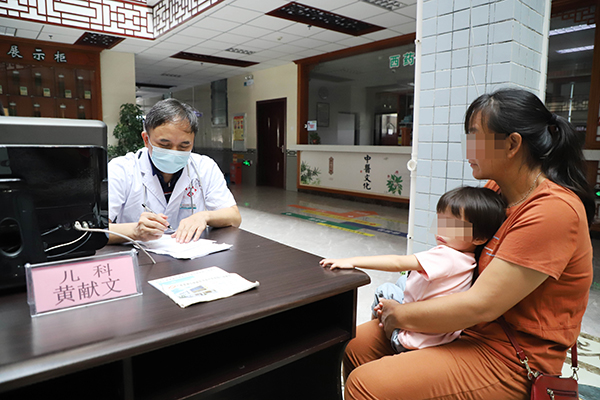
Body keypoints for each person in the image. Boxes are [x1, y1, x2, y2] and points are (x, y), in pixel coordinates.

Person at [343, 88, 594, 400]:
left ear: (512, 144)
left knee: (366, 384)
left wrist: (401, 314)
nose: (468, 148)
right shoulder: (496, 191)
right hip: (467, 328)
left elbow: (481, 305)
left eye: (475, 136)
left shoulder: (553, 211)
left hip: (511, 355)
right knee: (355, 345)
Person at [321, 186, 505, 353]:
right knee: (403, 280)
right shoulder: (469, 258)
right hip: (441, 335)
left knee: (384, 290)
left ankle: (382, 326)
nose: (442, 230)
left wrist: (352, 261)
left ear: (479, 238)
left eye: (454, 226)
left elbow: (397, 262)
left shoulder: (447, 256)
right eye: (442, 221)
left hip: (410, 340)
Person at [108, 98, 241, 244]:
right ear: (146, 139)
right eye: (165, 145)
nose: (174, 152)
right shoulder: (121, 169)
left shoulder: (204, 167)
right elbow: (94, 230)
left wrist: (205, 216)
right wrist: (135, 231)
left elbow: (234, 217)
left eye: (184, 146)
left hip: (189, 252)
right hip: (139, 253)